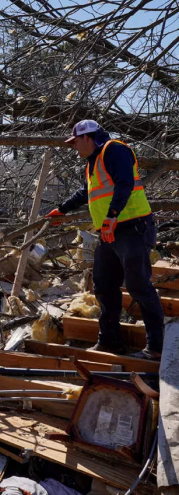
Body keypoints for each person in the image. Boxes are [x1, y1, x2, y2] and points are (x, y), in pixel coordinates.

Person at [46, 120, 163, 360]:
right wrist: (62, 209)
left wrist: (111, 216)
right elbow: (85, 193)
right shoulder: (93, 163)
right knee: (103, 285)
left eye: (75, 142)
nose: (74, 148)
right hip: (110, 232)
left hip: (133, 228)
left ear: (88, 138)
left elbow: (125, 184)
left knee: (138, 286)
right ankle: (109, 342)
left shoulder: (115, 150)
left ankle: (156, 347)